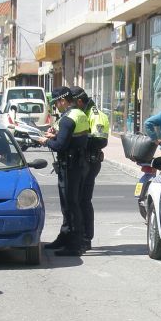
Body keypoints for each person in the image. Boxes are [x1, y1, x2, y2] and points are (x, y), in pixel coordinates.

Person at [38, 87, 89, 256]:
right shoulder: (80, 114)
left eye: (57, 103)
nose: (56, 107)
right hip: (78, 163)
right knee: (72, 204)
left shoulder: (68, 119)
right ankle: (66, 237)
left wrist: (45, 141)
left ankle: (74, 244)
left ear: (63, 100)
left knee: (70, 205)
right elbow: (72, 139)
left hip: (70, 165)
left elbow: (60, 145)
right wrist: (57, 135)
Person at [72, 87, 109, 252]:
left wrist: (79, 139)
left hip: (89, 162)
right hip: (80, 161)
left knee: (83, 200)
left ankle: (86, 238)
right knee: (76, 199)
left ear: (79, 101)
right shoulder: (82, 113)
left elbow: (100, 141)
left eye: (73, 103)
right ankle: (77, 235)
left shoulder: (95, 114)